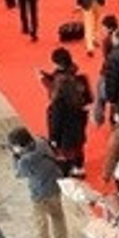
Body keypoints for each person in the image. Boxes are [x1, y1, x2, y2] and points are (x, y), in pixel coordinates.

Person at [7, 126, 70, 238]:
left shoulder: (25, 161)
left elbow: (18, 174)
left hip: (39, 195)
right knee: (58, 217)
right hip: (55, 186)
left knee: (41, 226)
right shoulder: (41, 142)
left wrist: (15, 157)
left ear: (19, 146)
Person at [45, 48, 91, 177]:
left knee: (66, 151)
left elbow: (56, 120)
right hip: (79, 120)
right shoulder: (80, 79)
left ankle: (70, 169)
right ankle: (79, 167)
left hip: (65, 129)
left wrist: (53, 137)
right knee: (78, 145)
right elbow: (88, 100)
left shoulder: (59, 100)